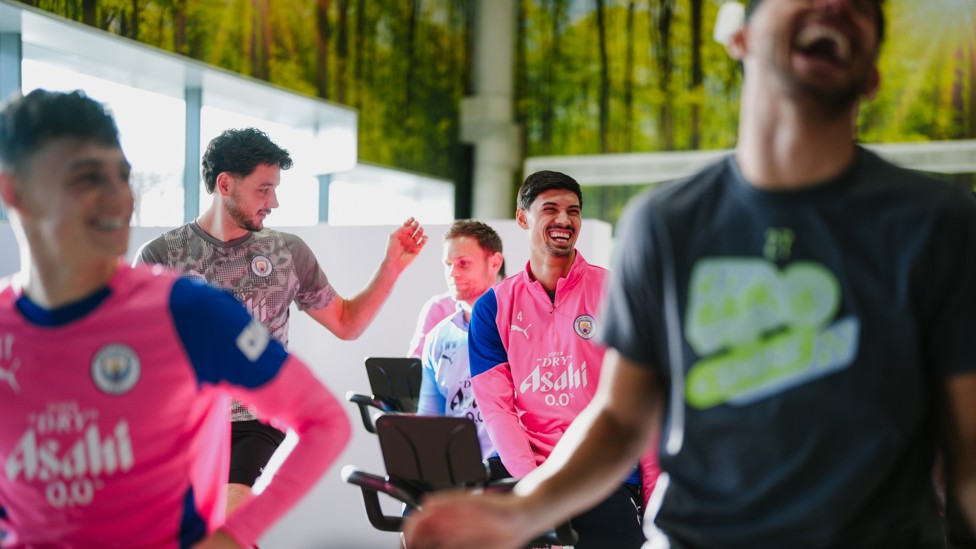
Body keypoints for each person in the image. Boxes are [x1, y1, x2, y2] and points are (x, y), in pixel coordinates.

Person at [403, 1, 976, 548]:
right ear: (740, 38)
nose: (830, 4)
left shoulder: (937, 225)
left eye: (858, 5)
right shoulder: (665, 224)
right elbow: (622, 417)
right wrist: (519, 510)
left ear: (872, 73)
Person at [0, 89, 351, 548]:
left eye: (121, 177)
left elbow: (325, 421)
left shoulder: (188, 311)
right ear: (16, 193)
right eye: (86, 178)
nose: (117, 200)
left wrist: (234, 536)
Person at [134, 127, 427, 515]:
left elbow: (346, 323)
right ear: (225, 184)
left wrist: (391, 267)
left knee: (229, 519)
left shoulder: (287, 252)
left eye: (275, 188)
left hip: (257, 422)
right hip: (187, 426)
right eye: (263, 189)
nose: (274, 201)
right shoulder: (160, 256)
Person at [465, 170, 658, 549]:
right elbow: (497, 411)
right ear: (523, 218)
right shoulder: (492, 308)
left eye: (573, 211)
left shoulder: (617, 292)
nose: (564, 220)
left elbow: (644, 402)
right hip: (526, 471)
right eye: (550, 209)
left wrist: (654, 502)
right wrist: (538, 493)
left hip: (603, 471)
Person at [417, 220, 504, 460]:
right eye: (448, 264)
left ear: (495, 262)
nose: (453, 273)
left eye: (463, 263)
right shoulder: (438, 338)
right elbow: (428, 422)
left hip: (512, 478)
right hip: (457, 472)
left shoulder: (522, 328)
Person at [407, 255, 506, 359]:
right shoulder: (439, 307)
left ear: (504, 280)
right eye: (449, 265)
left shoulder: (514, 310)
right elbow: (416, 361)